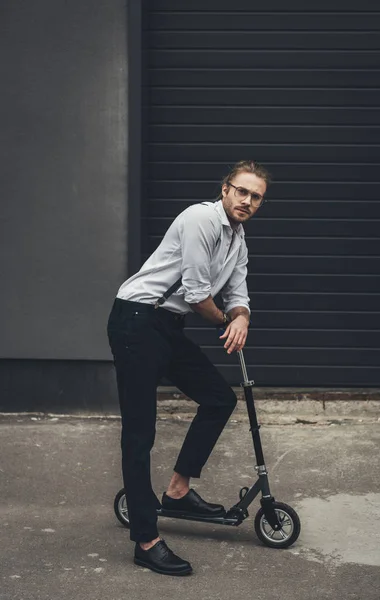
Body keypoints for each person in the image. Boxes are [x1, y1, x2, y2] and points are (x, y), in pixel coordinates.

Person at [107, 160, 270, 576]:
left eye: (256, 196)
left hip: (166, 325)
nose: (247, 201)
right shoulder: (200, 219)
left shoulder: (237, 238)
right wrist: (226, 320)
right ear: (225, 190)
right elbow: (199, 294)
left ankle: (177, 492)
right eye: (242, 192)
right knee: (140, 432)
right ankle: (146, 539)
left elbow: (238, 290)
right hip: (137, 320)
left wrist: (242, 317)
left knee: (218, 398)